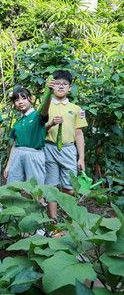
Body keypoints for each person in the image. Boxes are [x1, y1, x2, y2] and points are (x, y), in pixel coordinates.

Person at [44, 70, 87, 220]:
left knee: (69, 188)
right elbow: (38, 129)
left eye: (65, 84)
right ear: (52, 86)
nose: (61, 87)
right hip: (49, 148)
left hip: (68, 149)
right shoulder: (46, 106)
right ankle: (53, 220)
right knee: (50, 187)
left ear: (70, 88)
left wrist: (81, 158)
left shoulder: (76, 109)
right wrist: (50, 124)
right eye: (57, 84)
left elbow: (79, 134)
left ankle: (69, 217)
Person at [4, 81, 55, 187]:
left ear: (30, 99)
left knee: (36, 189)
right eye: (16, 100)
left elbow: (45, 109)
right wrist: (8, 166)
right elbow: (14, 145)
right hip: (17, 154)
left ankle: (38, 204)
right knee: (12, 187)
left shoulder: (37, 116)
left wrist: (49, 93)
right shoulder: (17, 122)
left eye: (23, 98)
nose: (20, 102)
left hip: (34, 155)